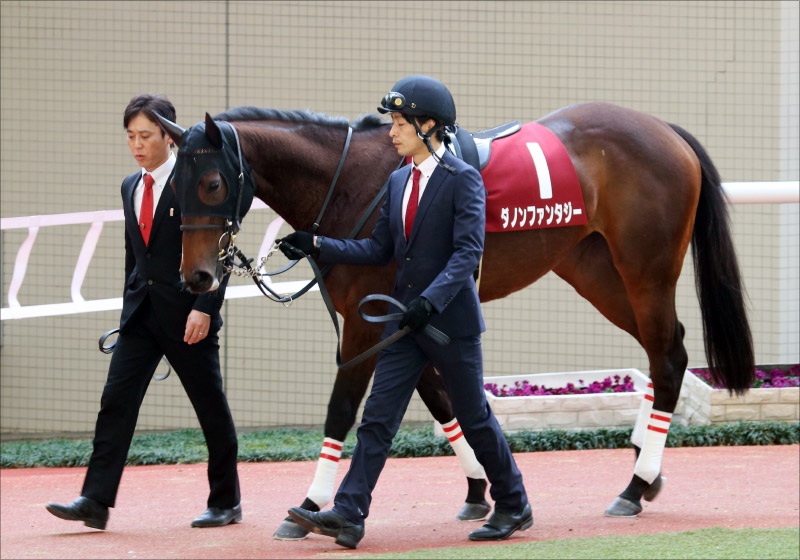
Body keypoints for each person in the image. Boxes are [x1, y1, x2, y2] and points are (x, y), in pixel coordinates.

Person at [279, 75, 531, 549]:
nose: (392, 132)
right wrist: (316, 244)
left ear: (430, 125)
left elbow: (466, 253)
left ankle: (514, 503)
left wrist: (429, 303)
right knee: (378, 418)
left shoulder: (463, 180)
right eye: (392, 123)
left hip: (449, 324)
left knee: (473, 416)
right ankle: (350, 514)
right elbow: (378, 249)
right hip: (404, 322)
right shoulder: (397, 182)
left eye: (400, 123)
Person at [46, 94, 241, 530]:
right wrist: (126, 311)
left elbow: (221, 248)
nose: (137, 144)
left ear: (169, 137)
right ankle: (95, 501)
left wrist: (204, 308)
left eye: (146, 135)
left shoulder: (195, 179)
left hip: (188, 316)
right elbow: (134, 258)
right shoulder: (130, 186)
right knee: (115, 402)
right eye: (130, 136)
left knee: (210, 407)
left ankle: (226, 502)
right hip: (139, 317)